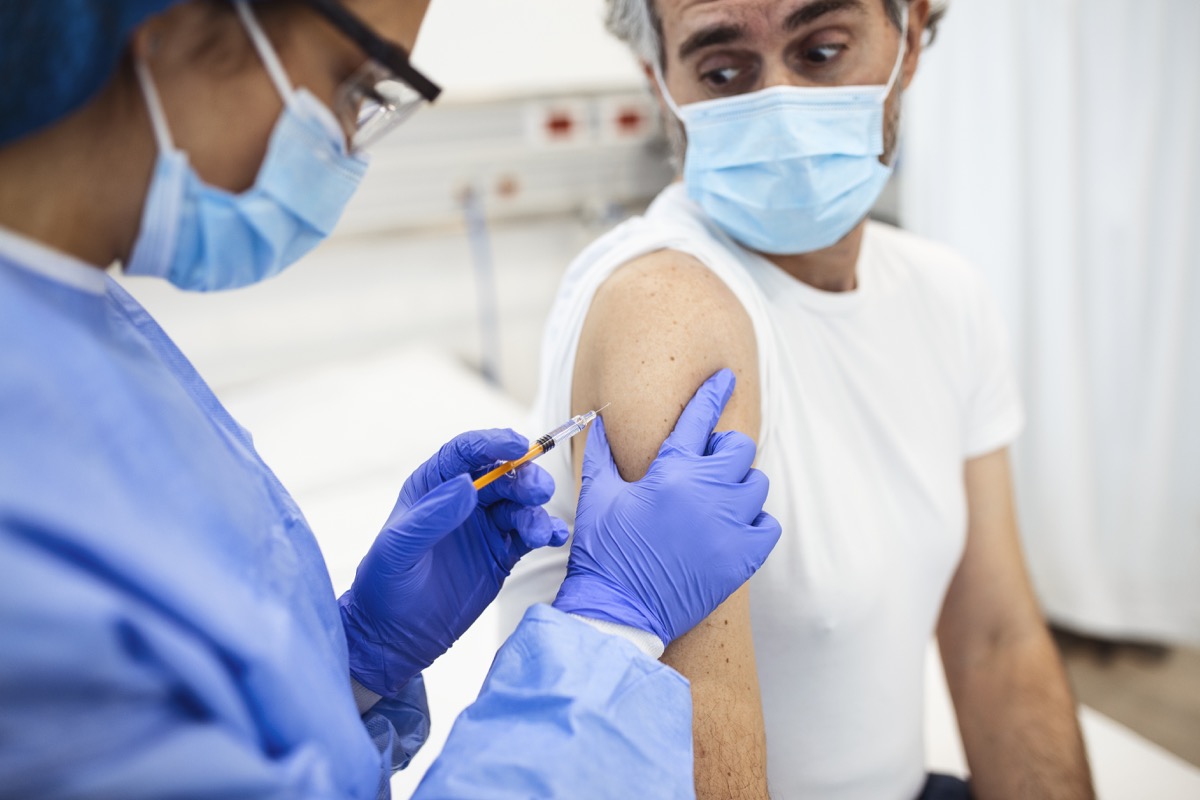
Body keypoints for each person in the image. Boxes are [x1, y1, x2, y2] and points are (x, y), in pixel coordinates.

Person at [0, 1, 783, 797]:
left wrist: (353, 664)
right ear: (178, 22)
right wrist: (611, 628)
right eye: (354, 86)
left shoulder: (79, 320)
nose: (349, 144)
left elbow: (196, 721)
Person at [502, 0, 1097, 798]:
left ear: (910, 37)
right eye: (724, 71)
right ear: (660, 82)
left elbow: (997, 638)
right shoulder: (667, 306)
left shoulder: (946, 293)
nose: (779, 104)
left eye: (821, 50)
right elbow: (695, 741)